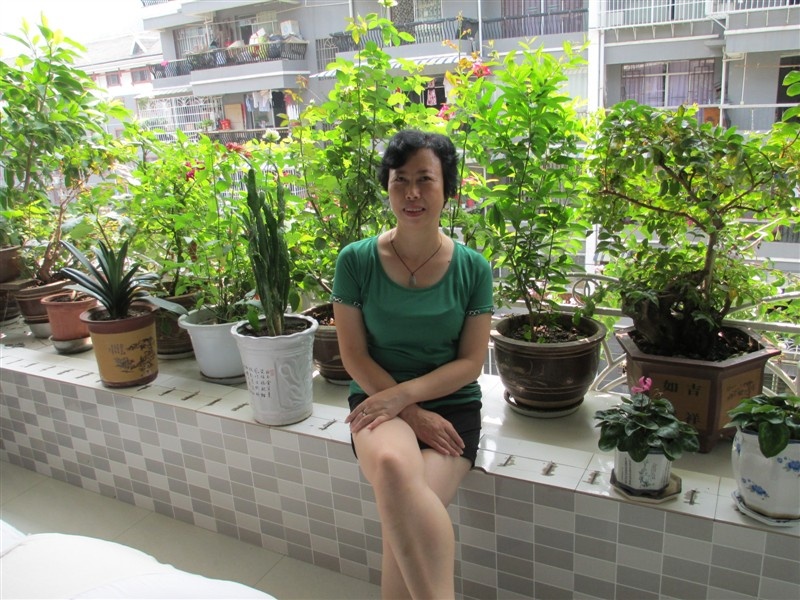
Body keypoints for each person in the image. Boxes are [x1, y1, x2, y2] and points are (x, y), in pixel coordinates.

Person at [331, 129, 494, 599]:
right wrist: (407, 410)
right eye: (400, 180)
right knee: (391, 466)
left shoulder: (473, 268)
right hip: (377, 398)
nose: (412, 193)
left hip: (453, 409)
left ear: (448, 189)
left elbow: (471, 362)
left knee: (400, 515)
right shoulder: (356, 261)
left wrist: (410, 399)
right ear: (387, 187)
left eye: (425, 179)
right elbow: (354, 355)